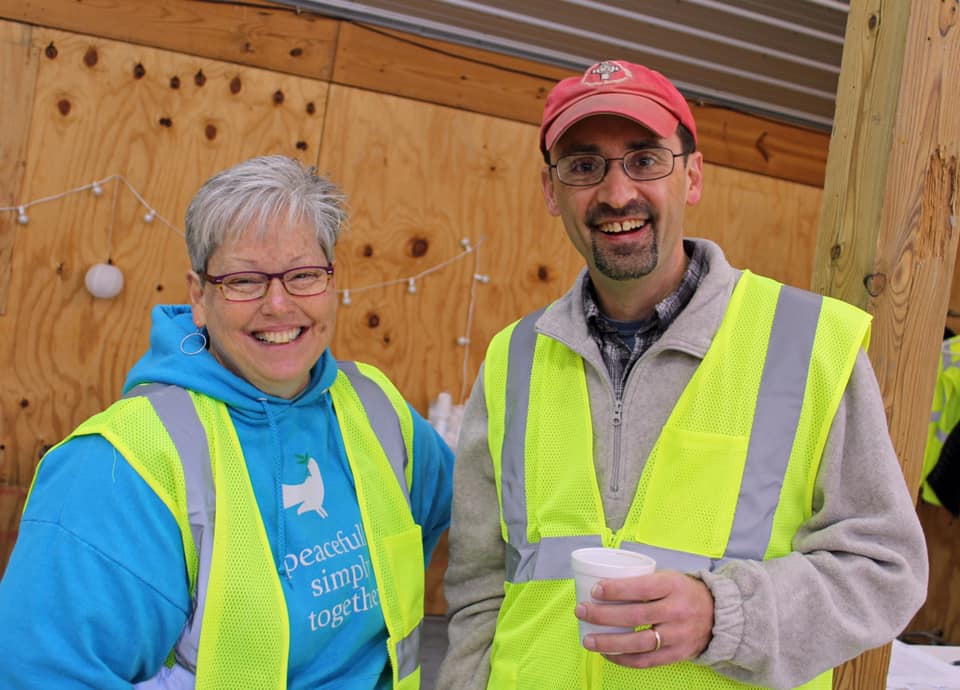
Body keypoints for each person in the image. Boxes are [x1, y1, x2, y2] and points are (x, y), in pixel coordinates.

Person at [436, 60, 928, 690]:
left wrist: (727, 613)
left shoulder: (810, 343)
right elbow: (480, 588)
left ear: (692, 176)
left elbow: (884, 567)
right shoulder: (514, 358)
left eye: (645, 159)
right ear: (549, 188)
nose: (616, 194)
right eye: (584, 166)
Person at [0, 155, 453, 689]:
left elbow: (483, 515)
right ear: (198, 295)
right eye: (243, 281)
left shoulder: (378, 408)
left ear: (331, 283)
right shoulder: (120, 463)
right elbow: (40, 673)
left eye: (304, 275)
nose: (279, 305)